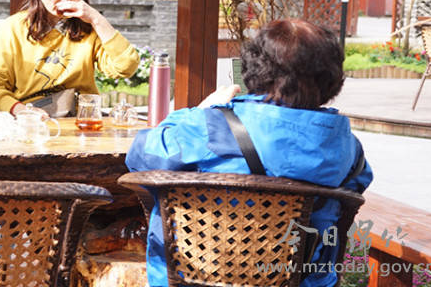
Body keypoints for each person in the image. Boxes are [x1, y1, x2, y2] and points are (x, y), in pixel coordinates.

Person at [126, 18, 373, 287]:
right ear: (332, 79)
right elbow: (353, 192)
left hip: (193, 280)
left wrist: (201, 110)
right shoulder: (347, 147)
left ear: (255, 67)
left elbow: (140, 156)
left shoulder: (211, 126)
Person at [0, 0, 140, 114]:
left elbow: (126, 67)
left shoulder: (89, 29)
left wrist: (96, 19)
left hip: (82, 122)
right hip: (31, 121)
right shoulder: (13, 28)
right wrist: (20, 110)